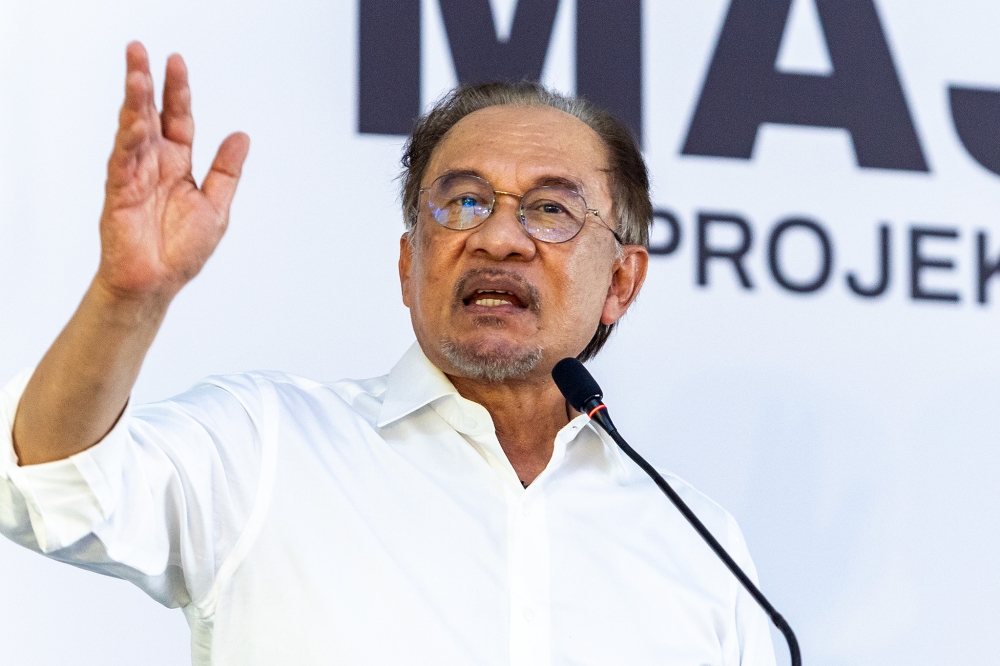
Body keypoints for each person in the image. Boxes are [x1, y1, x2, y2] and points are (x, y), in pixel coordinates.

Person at [0, 42, 777, 665]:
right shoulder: (268, 444)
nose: (498, 238)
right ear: (409, 265)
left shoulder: (694, 541)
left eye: (550, 209)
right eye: (464, 201)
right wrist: (128, 296)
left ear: (621, 282)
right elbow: (52, 486)